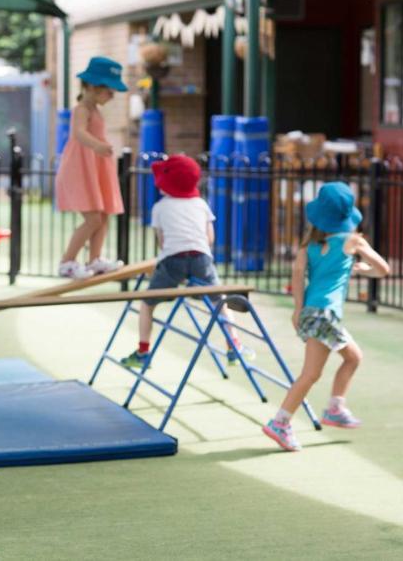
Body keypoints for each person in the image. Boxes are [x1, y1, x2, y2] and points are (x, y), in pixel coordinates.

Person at [263, 182, 390, 452]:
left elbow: (298, 276)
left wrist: (297, 309)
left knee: (352, 356)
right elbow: (383, 269)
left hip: (312, 312)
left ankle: (335, 407)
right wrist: (364, 267)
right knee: (311, 374)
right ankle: (281, 422)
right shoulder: (353, 241)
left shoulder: (307, 247)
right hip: (326, 315)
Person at [119, 154, 254, 368]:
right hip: (200, 257)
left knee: (147, 303)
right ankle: (234, 346)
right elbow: (209, 238)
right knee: (220, 300)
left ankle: (143, 351)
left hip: (172, 259)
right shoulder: (200, 204)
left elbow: (162, 242)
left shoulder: (160, 207)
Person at [55, 56, 127, 279]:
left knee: (103, 215)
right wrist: (98, 145)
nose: (113, 95)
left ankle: (94, 260)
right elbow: (78, 133)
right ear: (94, 87)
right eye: (109, 90)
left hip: (94, 167)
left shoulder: (95, 109)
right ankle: (67, 262)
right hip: (81, 168)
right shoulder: (82, 109)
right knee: (93, 219)